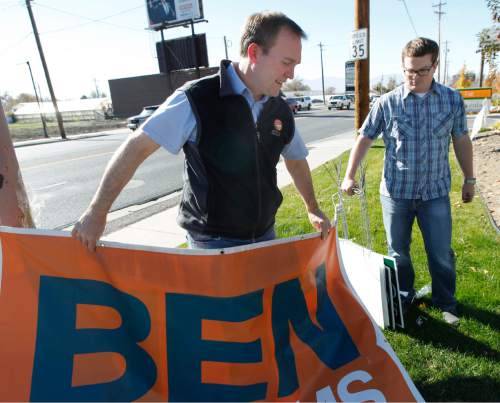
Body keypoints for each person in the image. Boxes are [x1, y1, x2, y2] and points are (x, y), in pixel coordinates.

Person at [72, 11, 330, 251]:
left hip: (264, 237)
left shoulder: (279, 109)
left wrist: (313, 207)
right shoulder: (196, 98)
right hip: (212, 243)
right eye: (287, 62)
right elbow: (136, 147)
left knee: (256, 303)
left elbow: (296, 160)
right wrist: (97, 212)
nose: (291, 73)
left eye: (295, 64)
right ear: (253, 52)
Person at [341, 37, 474, 326]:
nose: (413, 77)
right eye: (408, 71)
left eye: (421, 71)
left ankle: (445, 300)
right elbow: (365, 137)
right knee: (398, 252)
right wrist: (349, 174)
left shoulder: (452, 100)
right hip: (396, 193)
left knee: (440, 253)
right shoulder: (387, 103)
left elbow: (461, 138)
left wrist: (470, 178)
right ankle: (404, 294)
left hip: (435, 193)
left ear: (435, 66)